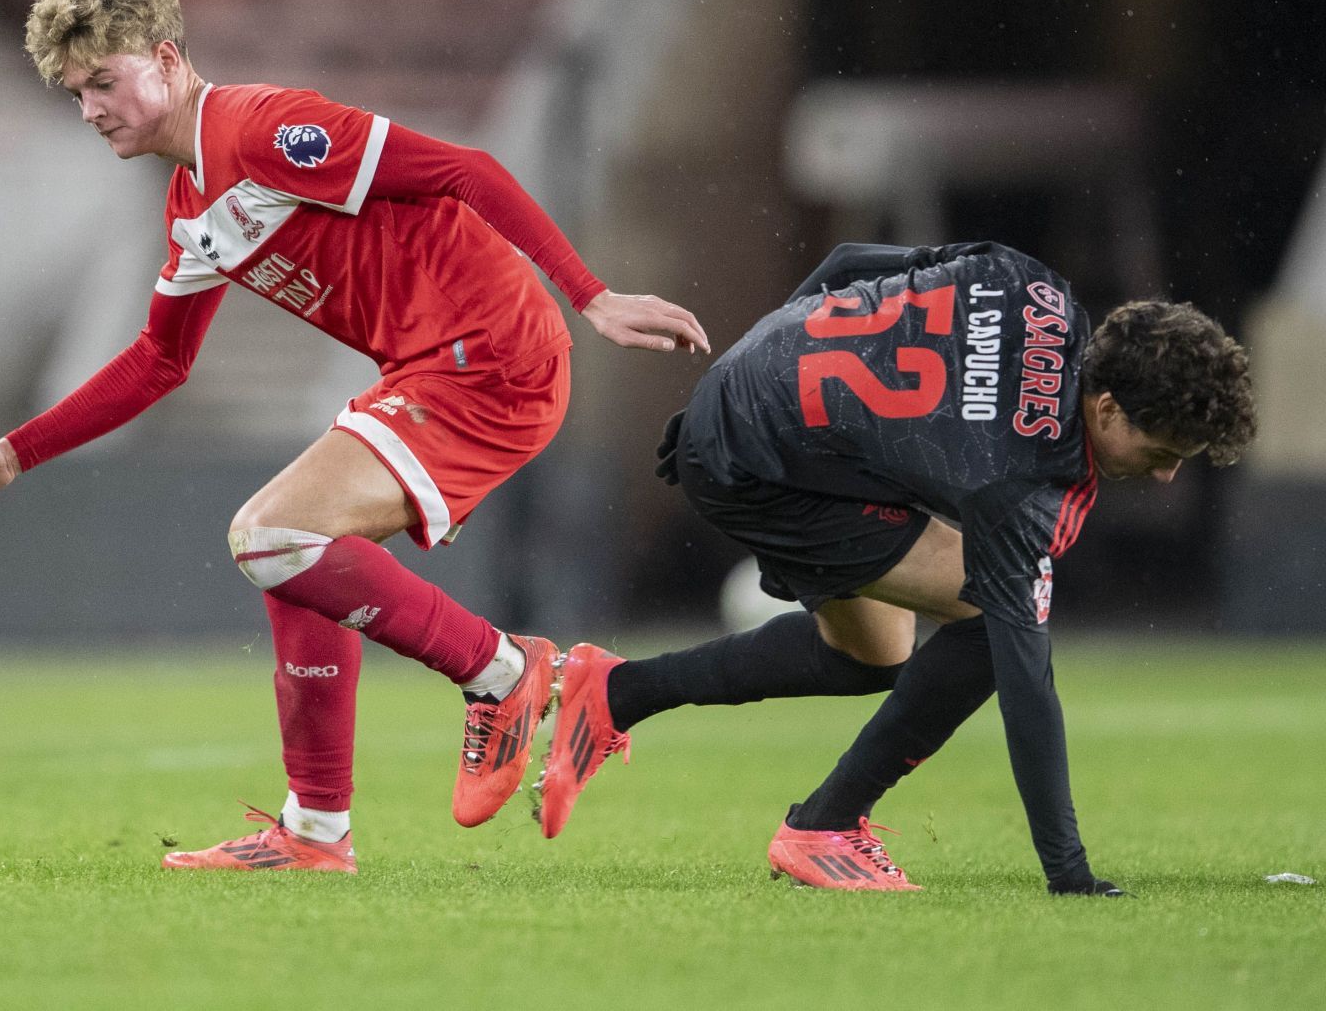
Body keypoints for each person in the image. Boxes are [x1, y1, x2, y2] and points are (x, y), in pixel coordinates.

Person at [0, 0, 707, 872]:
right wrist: (15, 453)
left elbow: (465, 169)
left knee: (267, 532)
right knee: (293, 554)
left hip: (490, 355)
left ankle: (505, 673)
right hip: (428, 366)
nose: (90, 108)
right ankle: (316, 832)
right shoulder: (192, 199)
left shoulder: (263, 131)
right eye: (74, 91)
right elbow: (161, 359)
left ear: (167, 61)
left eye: (104, 81)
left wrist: (590, 293)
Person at [537, 241, 1255, 894]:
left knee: (872, 654)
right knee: (984, 617)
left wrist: (758, 367)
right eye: (1163, 452)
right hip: (763, 467)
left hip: (749, 395)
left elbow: (849, 263)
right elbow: (1027, 686)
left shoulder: (1033, 285)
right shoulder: (1022, 485)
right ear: (1106, 407)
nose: (1164, 476)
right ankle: (825, 825)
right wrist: (1069, 872)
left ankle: (614, 691)